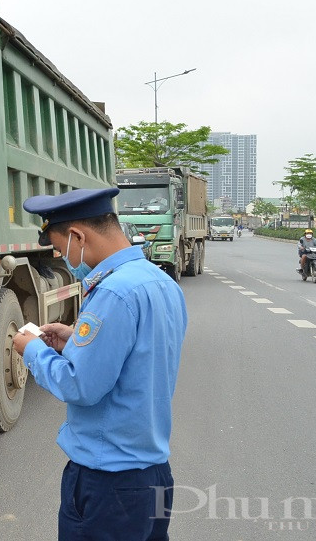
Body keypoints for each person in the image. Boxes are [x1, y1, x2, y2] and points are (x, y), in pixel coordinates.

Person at [13, 187, 187, 541]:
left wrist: (32, 350)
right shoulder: (162, 282)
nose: (66, 259)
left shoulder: (112, 292)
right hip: (153, 475)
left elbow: (80, 386)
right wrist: (75, 339)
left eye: (62, 250)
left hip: (109, 483)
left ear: (78, 236)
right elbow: (138, 359)